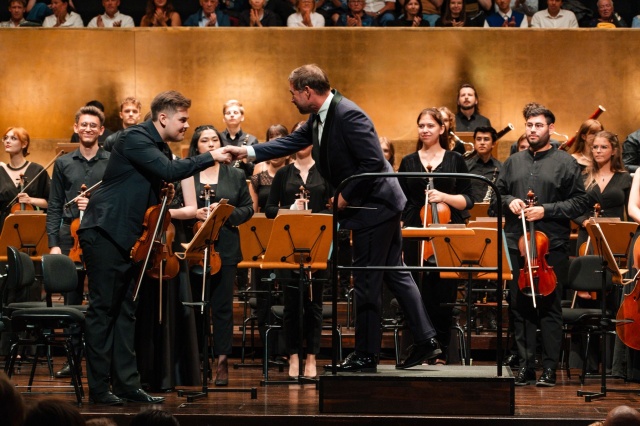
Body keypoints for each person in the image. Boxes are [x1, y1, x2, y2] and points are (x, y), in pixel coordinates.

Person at [223, 64, 442, 372]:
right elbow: (289, 143)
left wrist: (344, 196)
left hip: (373, 207)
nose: (291, 99)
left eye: (293, 93)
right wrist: (246, 152)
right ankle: (427, 341)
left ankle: (367, 355)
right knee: (395, 273)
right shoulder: (318, 117)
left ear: (307, 92)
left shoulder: (348, 114)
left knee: (367, 282)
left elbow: (372, 163)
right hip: (376, 205)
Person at [77, 91, 231, 405]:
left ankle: (126, 384)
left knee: (125, 312)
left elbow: (157, 178)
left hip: (129, 237)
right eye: (183, 119)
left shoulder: (156, 146)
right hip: (106, 230)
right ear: (163, 118)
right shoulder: (135, 137)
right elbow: (172, 170)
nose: (187, 125)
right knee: (103, 310)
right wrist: (212, 156)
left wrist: (162, 189)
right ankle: (99, 388)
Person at [494, 105, 589, 387]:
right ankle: (525, 366)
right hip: (517, 245)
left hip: (552, 247)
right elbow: (496, 195)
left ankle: (549, 368)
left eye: (538, 125)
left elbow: (580, 202)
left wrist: (546, 210)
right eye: (529, 125)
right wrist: (509, 200)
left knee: (548, 308)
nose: (532, 130)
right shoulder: (513, 162)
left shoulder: (566, 162)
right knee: (520, 308)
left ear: (550, 128)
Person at [398, 107, 474, 364]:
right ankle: (419, 344)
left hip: (446, 232)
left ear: (442, 129)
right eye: (421, 125)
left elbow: (468, 200)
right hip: (414, 231)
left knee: (444, 292)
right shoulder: (408, 162)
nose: (425, 130)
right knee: (414, 290)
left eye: (431, 125)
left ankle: (440, 348)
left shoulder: (455, 160)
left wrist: (443, 197)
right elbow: (401, 199)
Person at [186, 124, 253, 386]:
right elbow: (176, 206)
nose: (211, 144)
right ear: (197, 146)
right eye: (205, 140)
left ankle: (222, 360)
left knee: (223, 307)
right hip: (193, 248)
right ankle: (198, 359)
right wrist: (195, 213)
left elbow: (247, 209)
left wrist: (225, 214)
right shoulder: (188, 174)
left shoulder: (234, 176)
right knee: (195, 307)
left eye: (215, 139)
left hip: (225, 247)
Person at [47, 106, 110, 378]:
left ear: (101, 130)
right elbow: (54, 205)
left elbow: (116, 200)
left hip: (101, 234)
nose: (87, 129)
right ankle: (71, 358)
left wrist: (94, 204)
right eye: (83, 124)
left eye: (93, 125)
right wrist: (54, 243)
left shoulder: (111, 161)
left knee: (100, 298)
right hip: (68, 236)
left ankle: (99, 361)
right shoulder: (63, 163)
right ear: (76, 127)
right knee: (71, 300)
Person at [264, 142, 333, 379]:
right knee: (291, 305)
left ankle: (312, 358)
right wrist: (290, 209)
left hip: (318, 243)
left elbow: (335, 208)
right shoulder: (284, 173)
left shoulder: (325, 171)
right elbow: (270, 209)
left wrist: (318, 216)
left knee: (314, 305)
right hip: (289, 245)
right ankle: (293, 356)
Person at [570, 131, 630, 371]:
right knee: (587, 295)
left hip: (615, 239)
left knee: (613, 295)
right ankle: (586, 362)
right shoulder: (583, 176)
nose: (598, 151)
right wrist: (584, 221)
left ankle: (614, 362)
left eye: (603, 147)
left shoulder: (626, 178)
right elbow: (572, 206)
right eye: (594, 147)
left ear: (614, 150)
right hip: (587, 237)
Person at [0, 127, 50, 228]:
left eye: (13, 138)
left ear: (24, 144)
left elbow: (51, 203)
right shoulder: (1, 171)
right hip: (5, 227)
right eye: (6, 138)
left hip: (32, 226)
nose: (8, 141)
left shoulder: (37, 170)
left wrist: (31, 200)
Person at [219, 99, 259, 178]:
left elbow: (255, 171)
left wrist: (246, 160)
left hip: (243, 182)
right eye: (228, 113)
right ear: (223, 118)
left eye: (235, 112)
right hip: (221, 181)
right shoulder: (217, 139)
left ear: (242, 117)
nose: (232, 115)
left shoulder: (252, 140)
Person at [465, 126, 502, 203]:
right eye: (478, 139)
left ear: (493, 144)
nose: (482, 142)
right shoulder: (465, 166)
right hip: (469, 211)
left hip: (493, 212)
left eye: (486, 139)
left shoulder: (501, 168)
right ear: (475, 143)